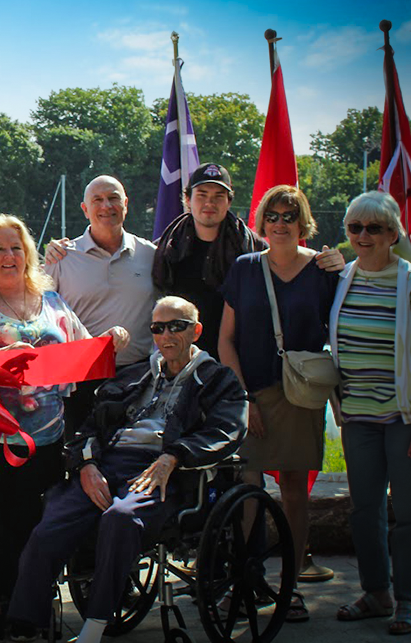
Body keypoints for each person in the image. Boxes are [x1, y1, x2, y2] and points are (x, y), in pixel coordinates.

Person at [8, 296, 247, 643]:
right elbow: (90, 426)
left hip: (167, 470)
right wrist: (87, 464)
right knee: (52, 522)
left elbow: (226, 431)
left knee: (121, 518)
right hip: (107, 463)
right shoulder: (134, 375)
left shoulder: (218, 380)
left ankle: (94, 626)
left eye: (176, 326)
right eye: (158, 328)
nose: (166, 335)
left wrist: (174, 457)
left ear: (196, 331)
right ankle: (26, 623)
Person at [0, 214, 128, 643]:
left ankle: (27, 611)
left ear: (28, 254)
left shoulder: (53, 300)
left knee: (32, 525)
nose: (9, 256)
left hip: (45, 437)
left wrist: (108, 339)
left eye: (16, 247)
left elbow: (81, 350)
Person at [217, 184, 339, 623]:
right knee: (247, 492)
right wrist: (243, 397)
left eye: (290, 216)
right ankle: (242, 582)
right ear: (262, 222)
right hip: (253, 394)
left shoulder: (325, 271)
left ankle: (290, 587)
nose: (281, 224)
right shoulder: (245, 269)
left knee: (293, 494)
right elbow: (225, 340)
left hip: (301, 396)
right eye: (273, 216)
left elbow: (339, 336)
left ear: (303, 223)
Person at [153, 163, 343, 358]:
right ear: (187, 199)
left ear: (229, 201)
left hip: (239, 361)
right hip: (181, 361)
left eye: (218, 196)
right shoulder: (164, 250)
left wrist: (329, 260)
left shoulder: (253, 250)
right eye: (202, 195)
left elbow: (288, 260)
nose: (209, 203)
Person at [328, 191, 411, 635]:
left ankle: (408, 599)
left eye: (373, 228)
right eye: (354, 227)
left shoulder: (409, 280)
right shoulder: (342, 278)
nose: (362, 236)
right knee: (365, 510)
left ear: (393, 235)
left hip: (404, 417)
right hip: (357, 415)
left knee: (409, 512)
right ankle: (376, 592)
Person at [43, 175, 157, 437]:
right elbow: (42, 316)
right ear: (85, 209)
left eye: (113, 198)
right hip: (79, 381)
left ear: (126, 204)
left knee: (129, 462)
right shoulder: (62, 257)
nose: (106, 206)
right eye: (97, 200)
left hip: (136, 379)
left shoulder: (150, 255)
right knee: (79, 462)